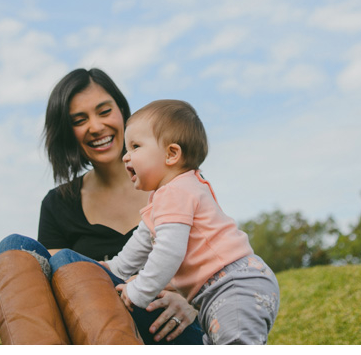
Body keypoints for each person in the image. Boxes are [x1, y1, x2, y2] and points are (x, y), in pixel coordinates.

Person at [0, 69, 204, 345]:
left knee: (68, 261)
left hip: (165, 324)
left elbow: (221, 257)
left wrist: (192, 302)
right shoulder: (58, 204)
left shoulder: (176, 181)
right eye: (80, 120)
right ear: (68, 132)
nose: (96, 126)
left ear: (122, 112)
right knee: (14, 246)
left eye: (104, 111)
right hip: (92, 330)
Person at [102, 99, 280, 344]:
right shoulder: (165, 197)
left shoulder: (176, 191)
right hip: (219, 291)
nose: (125, 157)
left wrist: (139, 291)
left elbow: (168, 251)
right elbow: (140, 244)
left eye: (135, 146)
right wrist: (113, 269)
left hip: (233, 285)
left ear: (171, 154)